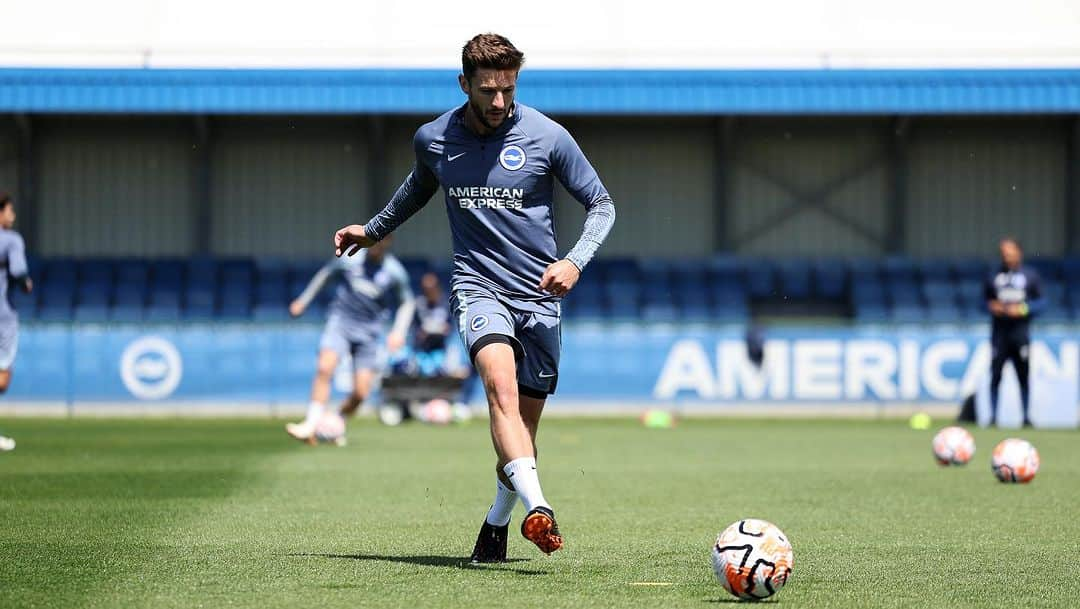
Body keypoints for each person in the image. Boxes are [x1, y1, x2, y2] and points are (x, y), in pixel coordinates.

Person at [332, 33, 615, 561]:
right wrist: (372, 231)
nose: (499, 101)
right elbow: (417, 189)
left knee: (522, 435)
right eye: (488, 90)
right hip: (478, 288)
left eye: (508, 88)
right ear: (465, 84)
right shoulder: (434, 138)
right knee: (499, 391)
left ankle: (496, 523)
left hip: (540, 297)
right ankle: (541, 508)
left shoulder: (548, 136)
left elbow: (601, 204)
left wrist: (574, 261)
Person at [285, 236, 415, 444]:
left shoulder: (394, 271)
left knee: (361, 392)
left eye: (381, 241)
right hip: (341, 323)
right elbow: (325, 275)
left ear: (388, 242)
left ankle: (334, 421)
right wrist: (303, 300)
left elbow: (407, 302)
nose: (375, 245)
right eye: (373, 240)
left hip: (369, 333)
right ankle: (309, 424)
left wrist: (399, 331)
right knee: (324, 367)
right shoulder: (350, 259)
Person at [984, 237, 1043, 427]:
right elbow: (982, 301)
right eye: (1003, 253)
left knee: (1023, 376)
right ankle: (993, 417)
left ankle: (1026, 417)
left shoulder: (1030, 276)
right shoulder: (993, 276)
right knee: (995, 375)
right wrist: (991, 306)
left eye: (1009, 253)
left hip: (1020, 334)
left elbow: (1043, 303)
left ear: (1019, 253)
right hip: (999, 335)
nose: (1006, 257)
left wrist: (1023, 309)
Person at [0, 193, 32, 452]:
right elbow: (19, 272)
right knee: (3, 377)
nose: (13, 215)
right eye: (9, 211)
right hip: (3, 315)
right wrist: (27, 284)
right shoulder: (11, 240)